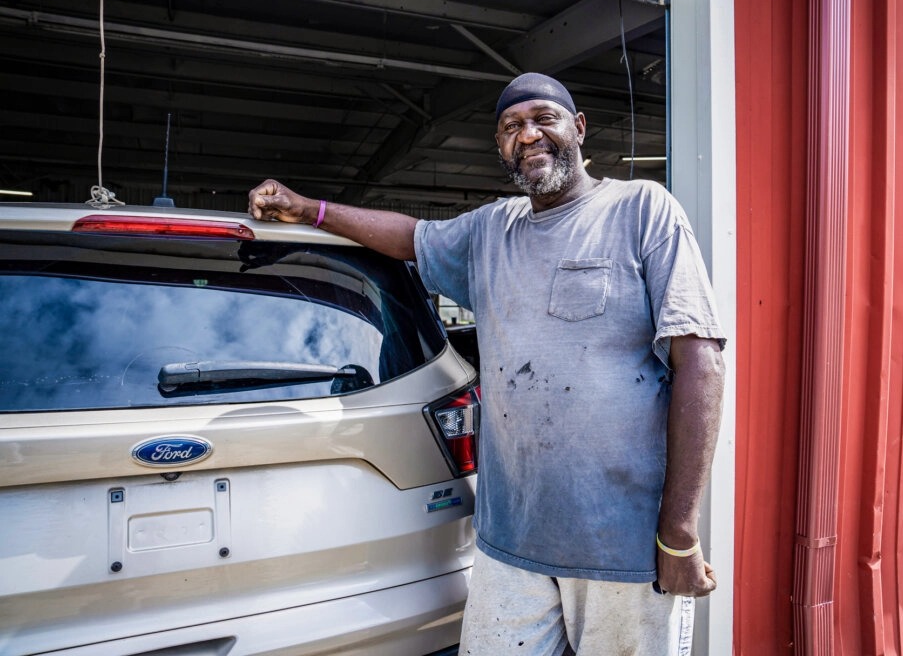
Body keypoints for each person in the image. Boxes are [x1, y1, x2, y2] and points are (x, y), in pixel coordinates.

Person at [249, 72, 726, 656]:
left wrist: (678, 535)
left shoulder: (641, 209)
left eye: (542, 119)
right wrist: (310, 209)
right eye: (510, 127)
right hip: (510, 546)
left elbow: (700, 363)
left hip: (623, 549)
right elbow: (410, 237)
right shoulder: (490, 229)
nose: (528, 136)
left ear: (578, 128)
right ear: (500, 147)